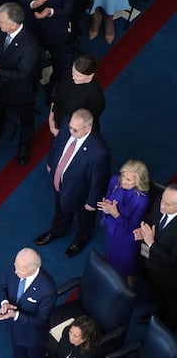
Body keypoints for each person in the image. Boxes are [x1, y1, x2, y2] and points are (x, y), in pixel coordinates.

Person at [35, 109, 111, 258]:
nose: (70, 131)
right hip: (60, 183)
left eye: (75, 130)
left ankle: (81, 239)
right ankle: (58, 230)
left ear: (88, 128)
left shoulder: (99, 151)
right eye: (70, 127)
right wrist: (51, 162)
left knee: (84, 219)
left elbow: (99, 180)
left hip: (81, 192)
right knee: (61, 207)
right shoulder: (68, 123)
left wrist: (92, 202)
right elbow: (57, 143)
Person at [0, 2, 39, 165]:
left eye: (1, 22)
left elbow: (23, 74)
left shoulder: (30, 45)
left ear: (13, 25)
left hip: (21, 91)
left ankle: (26, 144)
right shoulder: (3, 30)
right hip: (1, 85)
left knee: (26, 119)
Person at [0, 248, 56, 358]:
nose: (15, 272)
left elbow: (41, 320)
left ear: (33, 270)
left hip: (33, 336)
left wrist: (15, 314)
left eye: (20, 270)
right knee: (19, 357)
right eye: (15, 267)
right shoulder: (16, 267)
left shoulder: (48, 289)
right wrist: (5, 303)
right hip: (14, 329)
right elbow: (2, 287)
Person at [17, 0, 75, 84]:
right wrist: (32, 4)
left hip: (54, 27)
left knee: (59, 60)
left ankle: (55, 89)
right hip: (31, 23)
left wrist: (50, 11)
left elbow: (68, 9)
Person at [98, 160, 149, 287]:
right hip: (112, 231)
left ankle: (131, 291)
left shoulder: (142, 199)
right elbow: (108, 196)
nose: (123, 181)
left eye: (128, 179)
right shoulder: (115, 180)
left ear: (138, 181)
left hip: (127, 238)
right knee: (112, 258)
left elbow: (132, 227)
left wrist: (116, 214)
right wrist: (106, 208)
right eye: (123, 176)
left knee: (129, 266)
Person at [135, 184, 177, 330]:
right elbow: (150, 219)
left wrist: (151, 243)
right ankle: (158, 309)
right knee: (156, 292)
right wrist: (142, 231)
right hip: (151, 264)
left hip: (169, 277)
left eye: (168, 204)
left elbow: (173, 261)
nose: (162, 206)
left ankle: (165, 324)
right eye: (162, 200)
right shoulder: (161, 199)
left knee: (170, 303)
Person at [48, 55, 105, 137]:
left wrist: (63, 135)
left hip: (72, 131)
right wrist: (51, 116)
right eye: (73, 72)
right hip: (58, 120)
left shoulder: (95, 96)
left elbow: (87, 122)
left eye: (78, 76)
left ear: (91, 75)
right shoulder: (69, 75)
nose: (73, 77)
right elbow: (56, 93)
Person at [36, 315, 101, 358]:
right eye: (70, 332)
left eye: (75, 336)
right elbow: (59, 351)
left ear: (84, 339)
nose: (70, 337)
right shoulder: (67, 332)